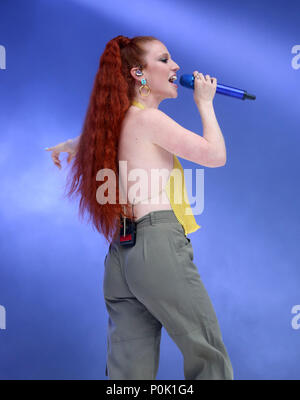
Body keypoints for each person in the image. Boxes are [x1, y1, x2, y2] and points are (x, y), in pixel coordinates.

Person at [45, 35, 233, 380]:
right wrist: (205, 102)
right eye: (164, 60)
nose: (176, 66)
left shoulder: (114, 123)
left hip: (121, 256)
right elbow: (215, 156)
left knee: (128, 374)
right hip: (156, 245)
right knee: (208, 356)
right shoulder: (149, 121)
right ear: (138, 74)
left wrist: (71, 144)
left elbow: (90, 137)